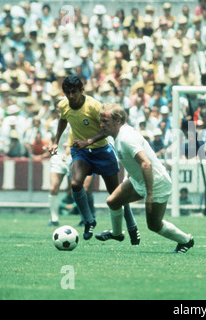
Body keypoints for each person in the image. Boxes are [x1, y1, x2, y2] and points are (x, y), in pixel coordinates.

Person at [47, 74, 140, 245]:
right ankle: (89, 220)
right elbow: (63, 120)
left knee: (116, 195)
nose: (71, 96)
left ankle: (132, 226)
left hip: (102, 151)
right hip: (81, 152)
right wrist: (55, 142)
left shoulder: (94, 106)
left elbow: (108, 129)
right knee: (75, 184)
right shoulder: (63, 105)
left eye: (74, 92)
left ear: (82, 90)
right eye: (67, 92)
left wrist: (88, 141)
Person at [98, 103, 194, 253]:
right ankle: (117, 234)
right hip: (139, 180)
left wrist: (149, 195)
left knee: (154, 225)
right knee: (113, 201)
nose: (101, 125)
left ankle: (186, 241)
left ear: (118, 121)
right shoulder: (120, 134)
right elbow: (135, 161)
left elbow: (146, 164)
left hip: (156, 184)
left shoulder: (125, 139)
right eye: (101, 121)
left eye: (105, 122)